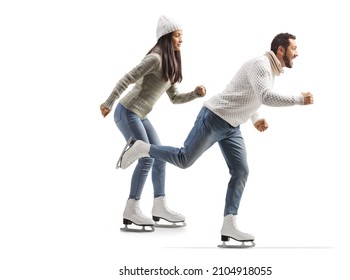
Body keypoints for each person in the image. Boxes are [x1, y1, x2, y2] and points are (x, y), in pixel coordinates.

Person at [116, 33, 313, 245]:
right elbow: (265, 96)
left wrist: (255, 118)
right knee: (184, 160)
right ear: (281, 50)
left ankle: (229, 224)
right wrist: (299, 100)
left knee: (241, 171)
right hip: (214, 117)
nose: (297, 53)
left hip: (233, 127)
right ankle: (143, 148)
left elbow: (247, 94)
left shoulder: (270, 69)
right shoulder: (261, 65)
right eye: (294, 48)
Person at [100, 15, 206, 231]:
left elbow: (175, 98)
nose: (181, 40)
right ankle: (131, 209)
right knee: (146, 157)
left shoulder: (170, 63)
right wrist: (109, 102)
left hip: (140, 115)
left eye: (181, 36)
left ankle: (159, 206)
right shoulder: (155, 59)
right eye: (177, 36)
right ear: (167, 38)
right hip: (126, 111)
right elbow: (128, 77)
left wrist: (195, 94)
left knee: (158, 157)